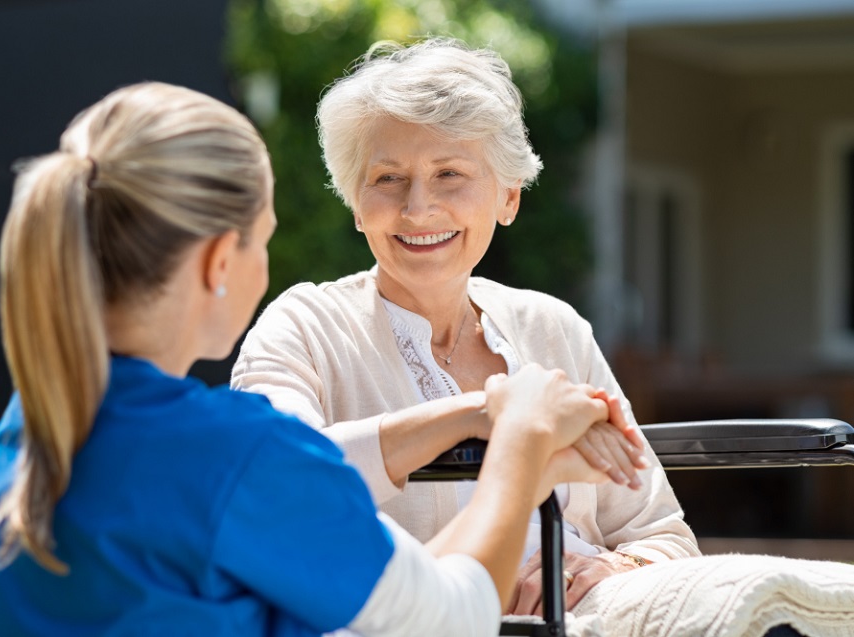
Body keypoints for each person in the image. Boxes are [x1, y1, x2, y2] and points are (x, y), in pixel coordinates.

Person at [0, 81, 640, 636]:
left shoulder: (24, 434)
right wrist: (519, 436)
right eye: (264, 239)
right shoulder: (235, 454)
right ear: (216, 263)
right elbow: (455, 615)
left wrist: (473, 414)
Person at [230, 37, 700, 615]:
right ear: (356, 204)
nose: (418, 208)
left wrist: (609, 566)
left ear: (508, 197)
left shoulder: (554, 329)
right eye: (387, 179)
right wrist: (486, 414)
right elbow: (276, 484)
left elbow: (663, 535)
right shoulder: (303, 327)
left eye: (449, 173)